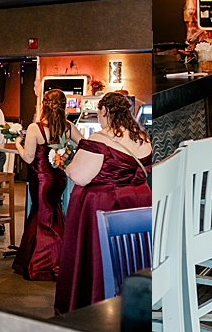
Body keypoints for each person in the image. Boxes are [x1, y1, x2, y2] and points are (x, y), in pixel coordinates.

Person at [53, 90, 150, 314]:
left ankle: (96, 305)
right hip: (141, 205)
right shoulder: (143, 137)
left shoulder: (100, 140)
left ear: (105, 111)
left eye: (99, 113)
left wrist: (66, 163)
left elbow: (79, 175)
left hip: (106, 207)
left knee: (100, 260)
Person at [11, 88, 69, 282]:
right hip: (59, 179)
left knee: (42, 216)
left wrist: (18, 143)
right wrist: (66, 155)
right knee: (54, 214)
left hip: (42, 180)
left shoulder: (36, 128)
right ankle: (58, 258)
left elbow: (28, 158)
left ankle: (41, 263)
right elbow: (84, 143)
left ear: (44, 105)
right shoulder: (67, 127)